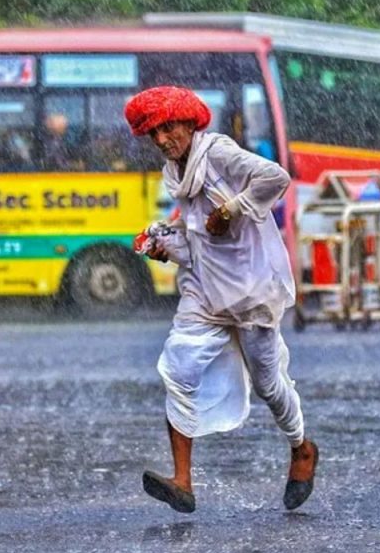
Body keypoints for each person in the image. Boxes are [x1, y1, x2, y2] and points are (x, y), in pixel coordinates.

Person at [124, 86, 318, 513]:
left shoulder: (220, 153)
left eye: (167, 128)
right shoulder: (174, 174)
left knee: (269, 385)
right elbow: (195, 243)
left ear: (190, 123)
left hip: (250, 290)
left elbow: (275, 178)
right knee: (178, 369)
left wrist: (232, 209)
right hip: (204, 292)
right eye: (152, 133)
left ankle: (302, 448)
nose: (161, 140)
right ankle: (182, 480)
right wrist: (165, 248)